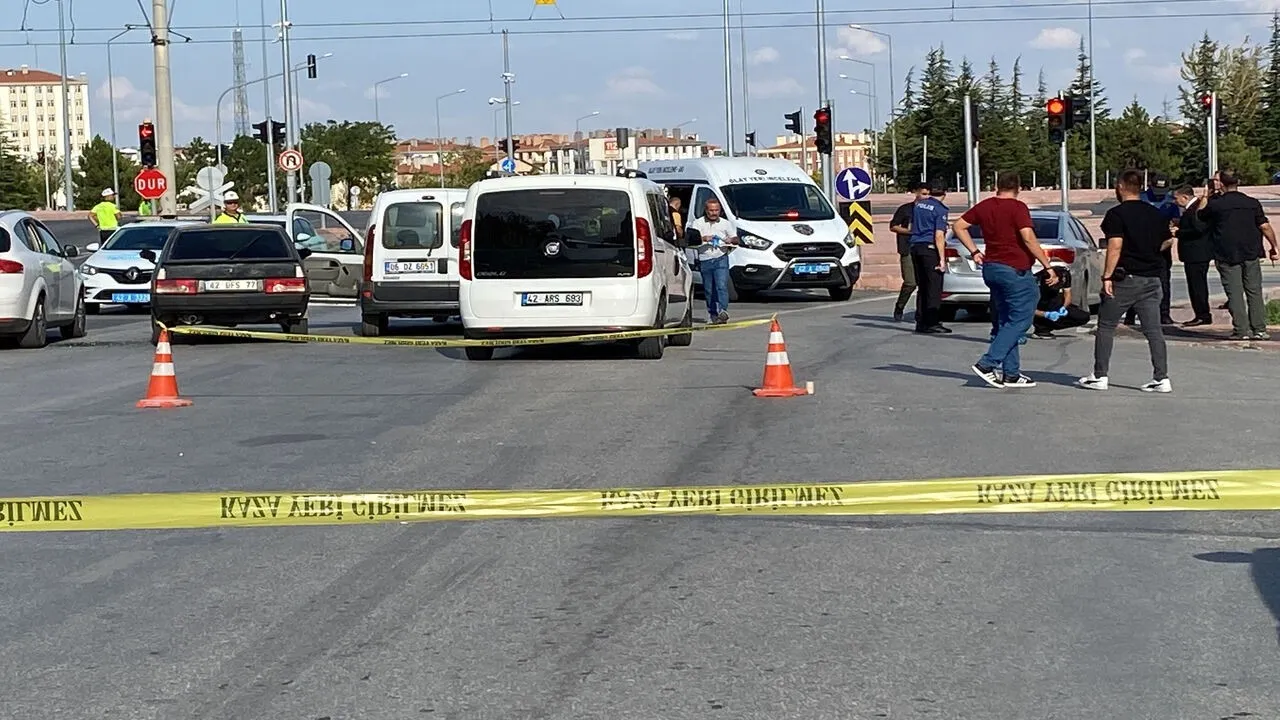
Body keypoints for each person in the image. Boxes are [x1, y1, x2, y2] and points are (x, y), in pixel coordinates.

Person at [952, 171, 1057, 388]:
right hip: (1015, 269)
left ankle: (1011, 373)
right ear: (1018, 188)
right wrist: (1047, 266)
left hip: (991, 268)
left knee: (1005, 321)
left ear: (997, 186)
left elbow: (958, 226)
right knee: (1022, 319)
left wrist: (974, 251)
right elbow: (1028, 238)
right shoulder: (1018, 208)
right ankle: (987, 364)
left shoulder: (985, 206)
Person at [1078, 169, 1172, 393]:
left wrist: (1107, 276)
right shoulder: (1155, 214)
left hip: (1126, 278)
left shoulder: (1116, 215)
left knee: (1106, 326)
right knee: (1153, 330)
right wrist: (1150, 250)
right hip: (1152, 278)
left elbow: (1115, 246)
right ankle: (1162, 377)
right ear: (1140, 187)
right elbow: (1168, 240)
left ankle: (1100, 375)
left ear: (1120, 187)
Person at [1196, 169, 1279, 340]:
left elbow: (1200, 216)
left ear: (1221, 184)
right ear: (1237, 182)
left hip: (1226, 253)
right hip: (1251, 251)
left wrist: (1205, 197)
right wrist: (1274, 246)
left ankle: (1241, 330)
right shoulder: (1252, 203)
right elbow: (1264, 226)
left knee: (1234, 292)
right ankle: (1259, 329)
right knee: (1254, 291)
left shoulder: (1216, 204)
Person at [1130, 173, 1179, 326]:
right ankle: (1131, 314)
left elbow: (1177, 220)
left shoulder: (1171, 201)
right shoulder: (1141, 198)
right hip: (1141, 244)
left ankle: (1164, 313)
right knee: (1136, 280)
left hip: (1162, 246)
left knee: (1163, 281)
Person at [907, 181, 951, 334]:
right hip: (930, 249)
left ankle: (921, 321)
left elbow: (912, 225)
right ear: (944, 194)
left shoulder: (919, 205)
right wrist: (941, 259)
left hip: (915, 247)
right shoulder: (940, 209)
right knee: (934, 287)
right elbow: (939, 235)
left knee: (922, 286)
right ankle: (933, 322)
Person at [686, 197, 738, 324]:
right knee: (709, 289)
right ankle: (713, 314)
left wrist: (730, 240)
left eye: (716, 210)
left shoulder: (725, 223)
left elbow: (736, 239)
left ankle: (723, 311)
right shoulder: (698, 223)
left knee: (721, 286)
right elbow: (692, 240)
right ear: (706, 210)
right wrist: (704, 238)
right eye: (711, 210)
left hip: (721, 258)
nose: (714, 213)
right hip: (705, 259)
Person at [1172, 184, 1213, 327]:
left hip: (1197, 254)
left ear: (1185, 197)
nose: (1175, 202)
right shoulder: (1190, 209)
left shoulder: (1196, 208)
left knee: (1197, 286)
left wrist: (1177, 233)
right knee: (1195, 285)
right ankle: (1201, 313)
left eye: (1176, 198)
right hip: (1194, 254)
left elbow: (1198, 229)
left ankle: (1202, 314)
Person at [889, 181, 927, 322]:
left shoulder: (930, 209)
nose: (925, 197)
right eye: (923, 194)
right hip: (908, 249)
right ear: (916, 193)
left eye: (928, 194)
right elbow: (893, 226)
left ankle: (921, 313)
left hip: (925, 249)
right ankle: (900, 307)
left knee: (925, 283)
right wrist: (909, 231)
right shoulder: (905, 209)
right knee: (911, 282)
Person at [1030, 266, 1090, 338]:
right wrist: (1045, 314)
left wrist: (1063, 307)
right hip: (1039, 304)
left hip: (1053, 302)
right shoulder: (1035, 281)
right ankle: (1041, 328)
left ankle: (1047, 326)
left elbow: (1067, 294)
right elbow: (1024, 308)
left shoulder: (1065, 274)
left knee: (1083, 317)